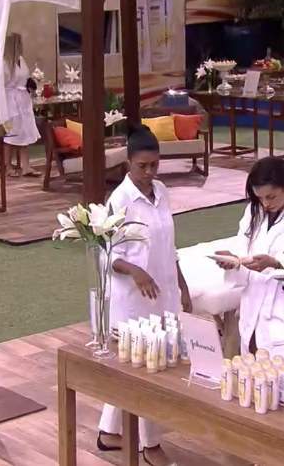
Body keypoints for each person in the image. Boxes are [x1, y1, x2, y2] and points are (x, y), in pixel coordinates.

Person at [97, 122, 192, 466]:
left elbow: (169, 244)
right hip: (133, 301)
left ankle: (109, 432)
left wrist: (182, 285)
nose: (149, 172)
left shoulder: (162, 191)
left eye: (155, 164)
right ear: (128, 162)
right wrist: (135, 271)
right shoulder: (119, 200)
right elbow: (105, 254)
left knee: (141, 364)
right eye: (142, 166)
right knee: (148, 367)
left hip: (164, 292)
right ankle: (150, 446)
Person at [214, 156, 284, 359]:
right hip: (253, 310)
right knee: (252, 372)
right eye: (260, 198)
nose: (265, 204)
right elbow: (243, 251)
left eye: (271, 197)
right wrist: (234, 262)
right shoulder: (254, 211)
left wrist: (276, 264)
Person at [0, 33, 41, 178]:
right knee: (11, 135)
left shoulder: (21, 60)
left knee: (24, 133)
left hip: (23, 99)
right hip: (10, 101)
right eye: (19, 44)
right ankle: (8, 166)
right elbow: (1, 85)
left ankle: (26, 167)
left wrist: (30, 87)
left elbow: (25, 78)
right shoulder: (4, 63)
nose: (22, 46)